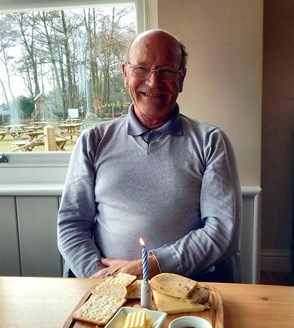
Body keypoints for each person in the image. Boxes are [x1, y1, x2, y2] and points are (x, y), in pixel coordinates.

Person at [57, 29, 242, 282]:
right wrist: (99, 277)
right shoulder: (93, 141)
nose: (153, 82)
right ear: (125, 74)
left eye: (165, 71)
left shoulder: (211, 142)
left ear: (181, 78)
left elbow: (222, 232)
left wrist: (150, 267)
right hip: (106, 287)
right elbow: (71, 224)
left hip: (185, 288)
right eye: (141, 69)